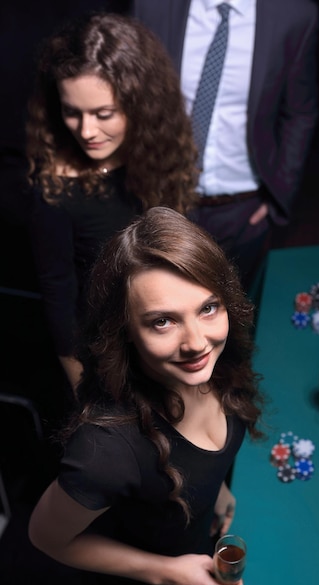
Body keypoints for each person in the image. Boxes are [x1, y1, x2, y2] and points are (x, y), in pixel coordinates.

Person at [28, 206, 265, 585]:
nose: (197, 342)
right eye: (162, 321)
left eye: (208, 308)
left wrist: (217, 492)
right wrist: (169, 573)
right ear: (126, 332)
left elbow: (202, 459)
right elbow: (45, 537)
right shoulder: (106, 449)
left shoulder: (219, 366)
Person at [25, 12, 199, 393]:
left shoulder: (161, 153)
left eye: (104, 114)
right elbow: (60, 303)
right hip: (107, 354)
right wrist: (83, 394)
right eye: (72, 112)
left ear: (141, 106)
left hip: (167, 334)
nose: (86, 131)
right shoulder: (56, 190)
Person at [132, 0, 319, 291]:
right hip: (163, 198)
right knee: (161, 306)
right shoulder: (152, 6)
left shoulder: (293, 14)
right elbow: (129, 97)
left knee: (232, 312)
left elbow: (300, 111)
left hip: (245, 209)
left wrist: (278, 192)